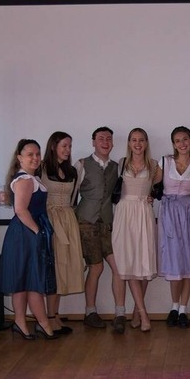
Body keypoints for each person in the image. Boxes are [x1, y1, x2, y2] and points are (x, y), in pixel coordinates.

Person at [0, 139, 58, 340]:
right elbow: (21, 210)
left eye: (37, 154)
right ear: (20, 158)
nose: (35, 158)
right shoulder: (24, 179)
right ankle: (40, 324)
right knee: (31, 280)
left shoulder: (32, 178)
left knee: (24, 279)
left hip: (27, 232)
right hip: (26, 234)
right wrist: (37, 232)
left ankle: (22, 323)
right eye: (30, 154)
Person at [75, 127, 127, 333]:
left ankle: (120, 313)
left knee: (119, 267)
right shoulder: (81, 164)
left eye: (109, 139)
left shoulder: (118, 167)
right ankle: (90, 312)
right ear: (93, 142)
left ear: (112, 143)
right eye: (101, 138)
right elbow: (72, 195)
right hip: (86, 222)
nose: (105, 142)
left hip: (108, 223)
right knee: (96, 267)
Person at [112, 127, 162, 332]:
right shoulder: (121, 163)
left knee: (144, 263)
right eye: (134, 140)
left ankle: (136, 312)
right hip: (124, 214)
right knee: (130, 262)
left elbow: (161, 190)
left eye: (141, 140)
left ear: (146, 142)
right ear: (129, 143)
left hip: (143, 214)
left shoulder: (155, 165)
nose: (138, 143)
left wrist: (152, 196)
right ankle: (144, 314)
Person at [158, 126, 190, 329]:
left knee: (188, 261)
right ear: (173, 144)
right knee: (174, 260)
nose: (182, 144)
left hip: (189, 215)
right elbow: (151, 185)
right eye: (177, 141)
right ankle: (174, 307)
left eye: (185, 139)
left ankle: (183, 309)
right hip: (169, 214)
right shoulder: (164, 162)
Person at [40, 131, 85, 335]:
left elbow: (74, 199)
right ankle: (49, 317)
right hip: (49, 219)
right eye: (64, 146)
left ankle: (54, 314)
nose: (68, 150)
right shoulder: (41, 168)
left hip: (67, 219)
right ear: (53, 146)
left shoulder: (72, 172)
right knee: (53, 267)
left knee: (63, 268)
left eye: (69, 146)